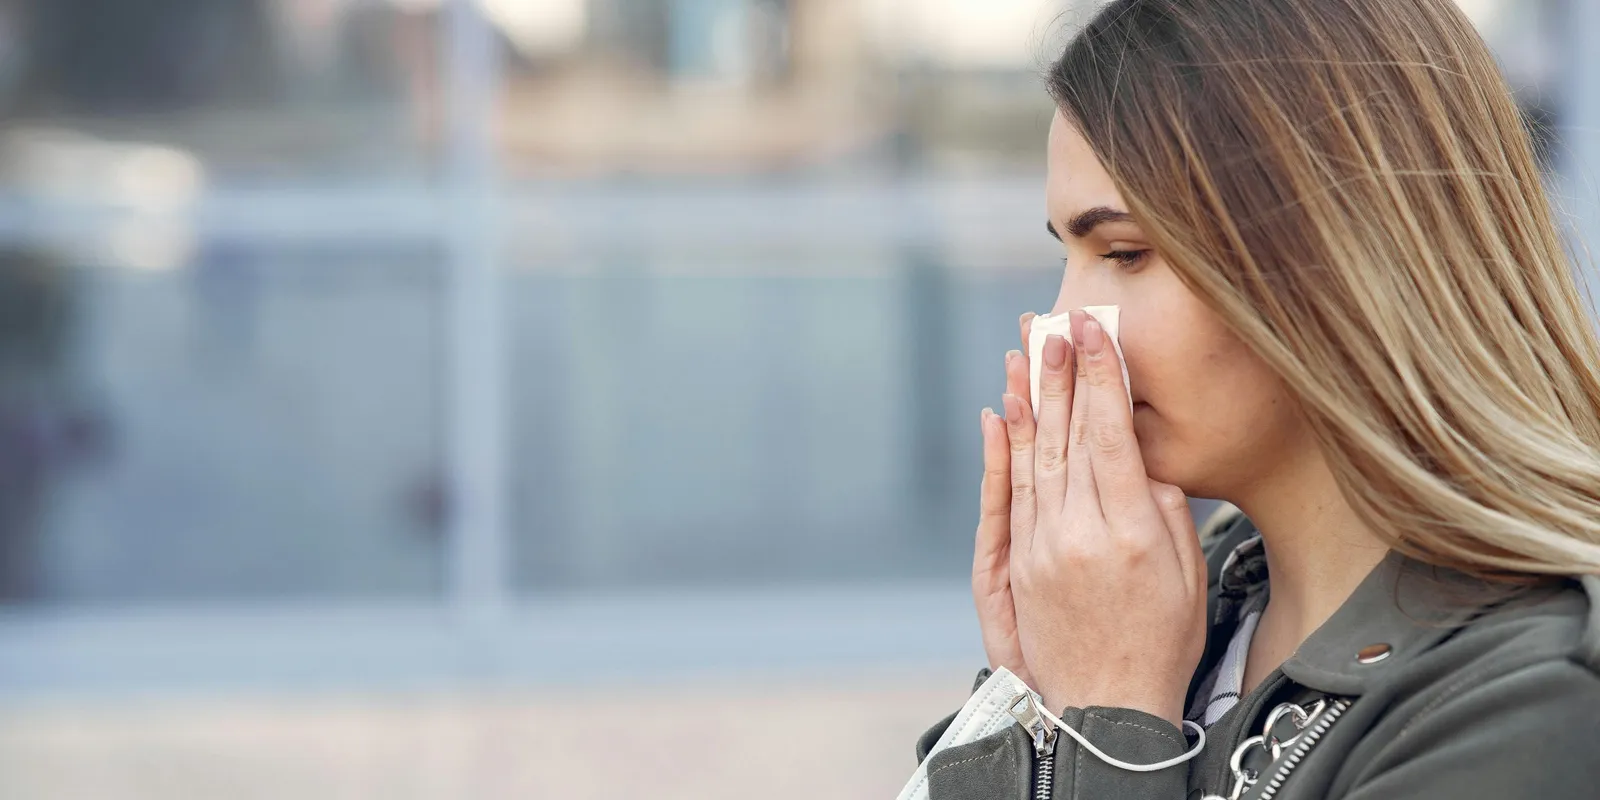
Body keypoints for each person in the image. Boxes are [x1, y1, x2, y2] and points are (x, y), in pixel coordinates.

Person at [914, 1, 1600, 798]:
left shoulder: (1533, 702)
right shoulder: (1164, 608)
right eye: (1068, 253)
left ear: (1338, 259)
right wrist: (1035, 703)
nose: (1059, 330)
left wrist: (1107, 721)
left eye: (1126, 253)